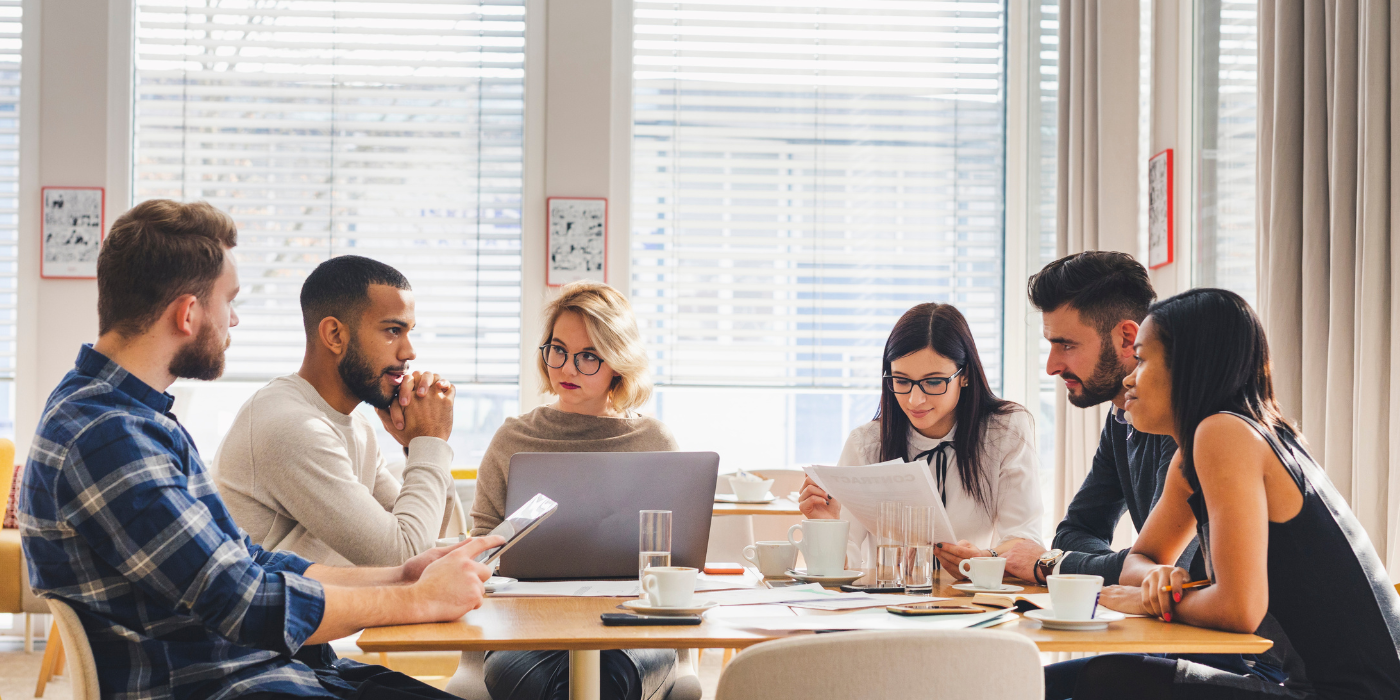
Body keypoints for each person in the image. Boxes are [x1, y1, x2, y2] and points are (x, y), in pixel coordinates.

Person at [16, 199, 502, 700]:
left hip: (262, 668)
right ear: (188, 314)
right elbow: (243, 601)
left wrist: (401, 577)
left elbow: (247, 562)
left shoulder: (135, 418)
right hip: (224, 683)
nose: (235, 320)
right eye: (229, 301)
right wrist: (416, 601)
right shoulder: (109, 436)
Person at [1072, 288, 1400, 700]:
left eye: (1140, 359)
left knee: (1107, 682)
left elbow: (1238, 609)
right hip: (1303, 683)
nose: (1128, 378)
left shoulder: (1224, 432)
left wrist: (1150, 601)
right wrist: (1158, 580)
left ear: (1188, 364)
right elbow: (1144, 557)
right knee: (1090, 676)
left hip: (1354, 693)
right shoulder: (1205, 445)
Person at [465, 280, 683, 700]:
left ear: (619, 363)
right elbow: (482, 545)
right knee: (557, 684)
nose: (565, 368)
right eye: (558, 349)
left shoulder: (654, 440)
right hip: (527, 627)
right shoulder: (512, 439)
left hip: (633, 627)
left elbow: (678, 553)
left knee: (604, 678)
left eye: (588, 357)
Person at [215, 255, 462, 567]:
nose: (409, 351)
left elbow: (422, 536)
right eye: (392, 331)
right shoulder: (292, 426)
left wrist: (419, 444)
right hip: (279, 614)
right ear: (334, 335)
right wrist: (430, 440)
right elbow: (403, 556)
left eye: (409, 331)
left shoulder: (354, 425)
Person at [797, 302, 1043, 575]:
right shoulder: (866, 443)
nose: (915, 399)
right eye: (901, 381)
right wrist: (825, 525)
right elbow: (842, 569)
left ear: (965, 376)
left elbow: (1025, 537)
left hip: (971, 602)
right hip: (887, 608)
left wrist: (985, 558)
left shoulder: (1004, 430)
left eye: (933, 382)